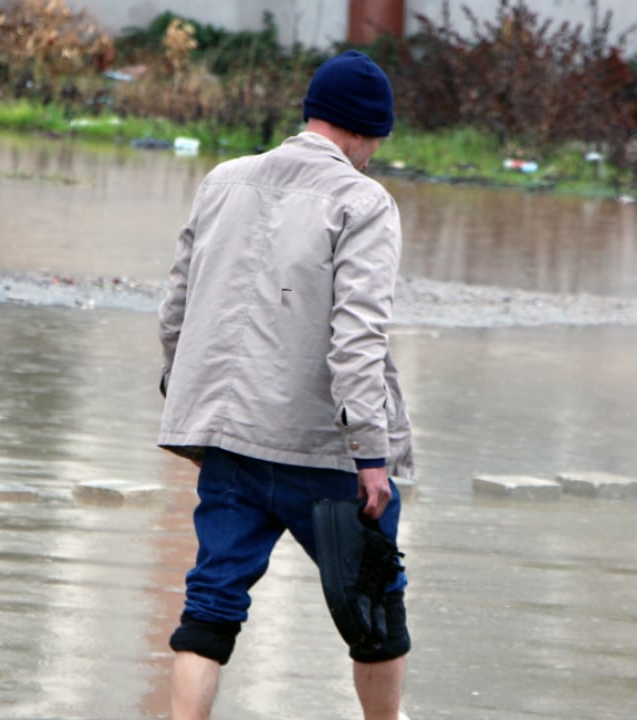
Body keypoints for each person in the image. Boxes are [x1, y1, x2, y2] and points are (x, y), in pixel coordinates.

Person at [156, 50, 415, 720]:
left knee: (210, 606)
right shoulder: (364, 202)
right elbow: (358, 338)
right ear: (366, 132)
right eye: (378, 140)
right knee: (376, 610)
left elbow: (175, 308)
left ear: (311, 116)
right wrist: (372, 454)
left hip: (229, 442)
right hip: (324, 455)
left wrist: (187, 403)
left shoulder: (224, 180)